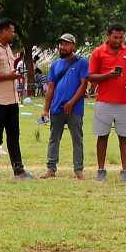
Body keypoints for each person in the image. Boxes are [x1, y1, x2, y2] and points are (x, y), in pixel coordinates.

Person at [87, 25, 126, 181]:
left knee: (124, 137)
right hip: (104, 101)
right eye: (115, 37)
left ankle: (125, 171)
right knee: (102, 136)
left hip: (124, 102)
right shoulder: (98, 52)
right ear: (108, 36)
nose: (118, 40)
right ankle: (101, 170)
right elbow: (91, 76)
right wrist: (109, 75)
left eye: (121, 38)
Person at [0, 19, 32, 180]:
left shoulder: (8, 48)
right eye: (12, 30)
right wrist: (8, 76)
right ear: (3, 31)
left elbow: (7, 72)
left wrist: (13, 74)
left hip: (11, 99)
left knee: (14, 135)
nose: (13, 34)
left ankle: (19, 170)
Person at [37, 34, 88, 179]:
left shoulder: (82, 62)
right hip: (56, 108)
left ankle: (78, 169)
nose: (62, 47)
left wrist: (71, 102)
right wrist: (46, 108)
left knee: (77, 138)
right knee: (54, 138)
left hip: (75, 108)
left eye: (66, 44)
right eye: (61, 44)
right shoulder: (55, 65)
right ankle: (51, 168)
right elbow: (50, 88)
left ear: (73, 46)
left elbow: (84, 85)